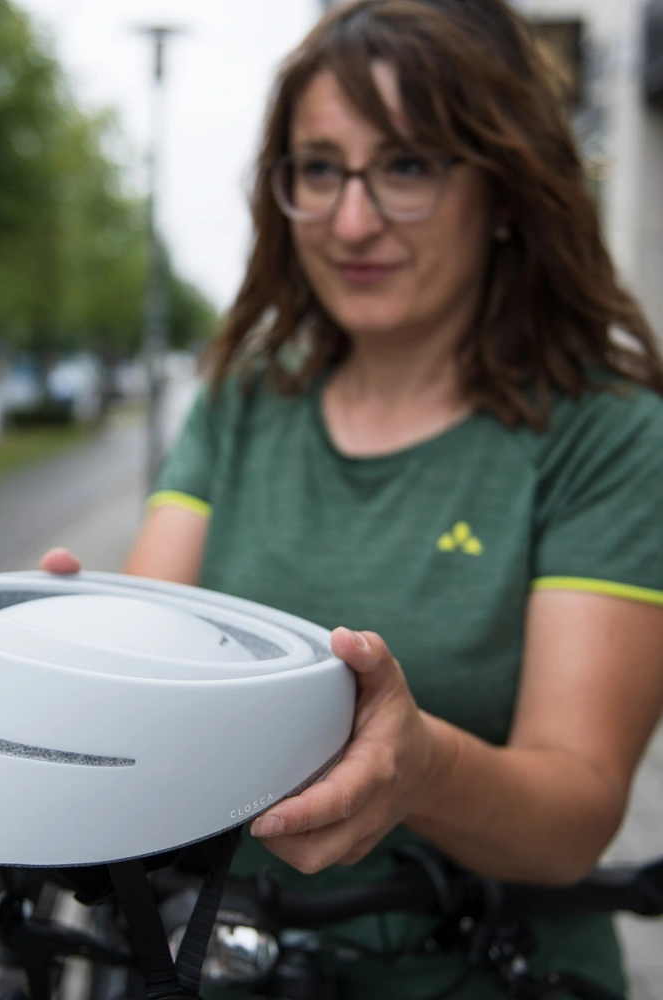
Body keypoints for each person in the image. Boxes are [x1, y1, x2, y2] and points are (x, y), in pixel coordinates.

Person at [43, 0, 663, 994]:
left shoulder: (607, 435)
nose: (353, 219)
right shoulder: (245, 396)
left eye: (409, 166)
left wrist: (421, 768)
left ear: (503, 187)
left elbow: (576, 813)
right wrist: (77, 652)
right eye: (320, 168)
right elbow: (151, 645)